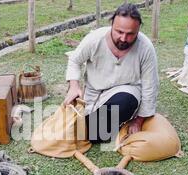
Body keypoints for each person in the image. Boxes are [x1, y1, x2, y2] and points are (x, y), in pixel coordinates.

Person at [64, 3, 159, 143]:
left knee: (120, 106)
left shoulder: (145, 48)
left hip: (125, 92)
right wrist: (74, 86)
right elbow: (74, 60)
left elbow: (150, 85)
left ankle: (95, 129)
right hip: (93, 93)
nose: (123, 39)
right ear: (112, 25)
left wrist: (139, 121)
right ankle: (92, 126)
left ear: (138, 30)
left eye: (130, 34)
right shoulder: (95, 39)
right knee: (77, 128)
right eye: (119, 32)